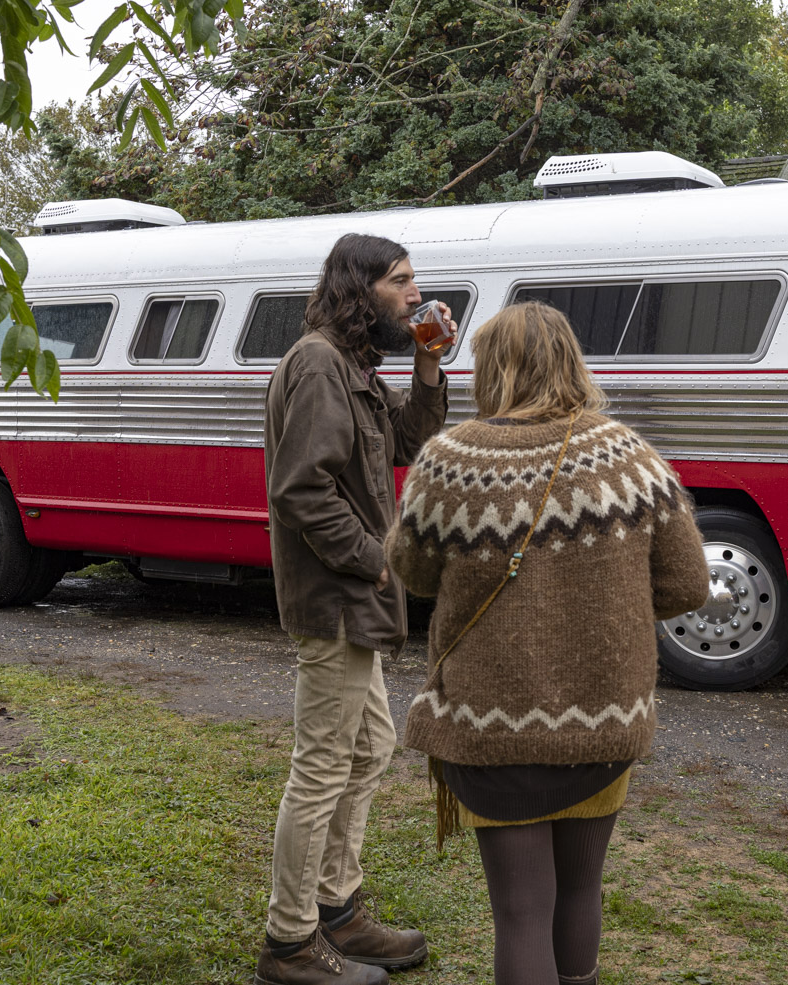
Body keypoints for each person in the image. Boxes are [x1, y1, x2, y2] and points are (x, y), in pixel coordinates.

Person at [385, 302, 710, 985]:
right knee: (580, 889)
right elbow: (686, 583)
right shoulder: (630, 457)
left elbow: (411, 575)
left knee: (521, 911)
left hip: (489, 724)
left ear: (491, 367)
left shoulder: (451, 461)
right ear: (571, 359)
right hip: (604, 722)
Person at [257, 233, 454, 985]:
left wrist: (428, 363)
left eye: (413, 280)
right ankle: (289, 943)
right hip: (337, 596)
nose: (414, 293)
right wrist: (376, 561)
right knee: (321, 767)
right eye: (400, 281)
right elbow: (301, 488)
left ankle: (337, 909)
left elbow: (412, 441)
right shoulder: (316, 364)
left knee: (368, 748)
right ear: (358, 287)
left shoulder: (354, 368)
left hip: (356, 599)